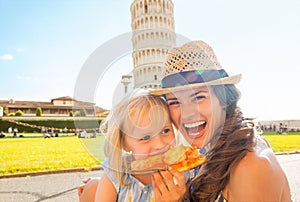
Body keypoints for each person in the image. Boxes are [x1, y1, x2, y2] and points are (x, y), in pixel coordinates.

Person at [149, 40, 291, 201]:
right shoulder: (227, 146)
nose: (187, 113)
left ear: (223, 98)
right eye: (174, 102)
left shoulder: (249, 168)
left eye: (198, 97)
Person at [79, 88, 186, 202]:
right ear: (124, 144)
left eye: (165, 131)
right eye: (145, 137)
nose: (159, 144)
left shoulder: (181, 175)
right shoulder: (115, 174)